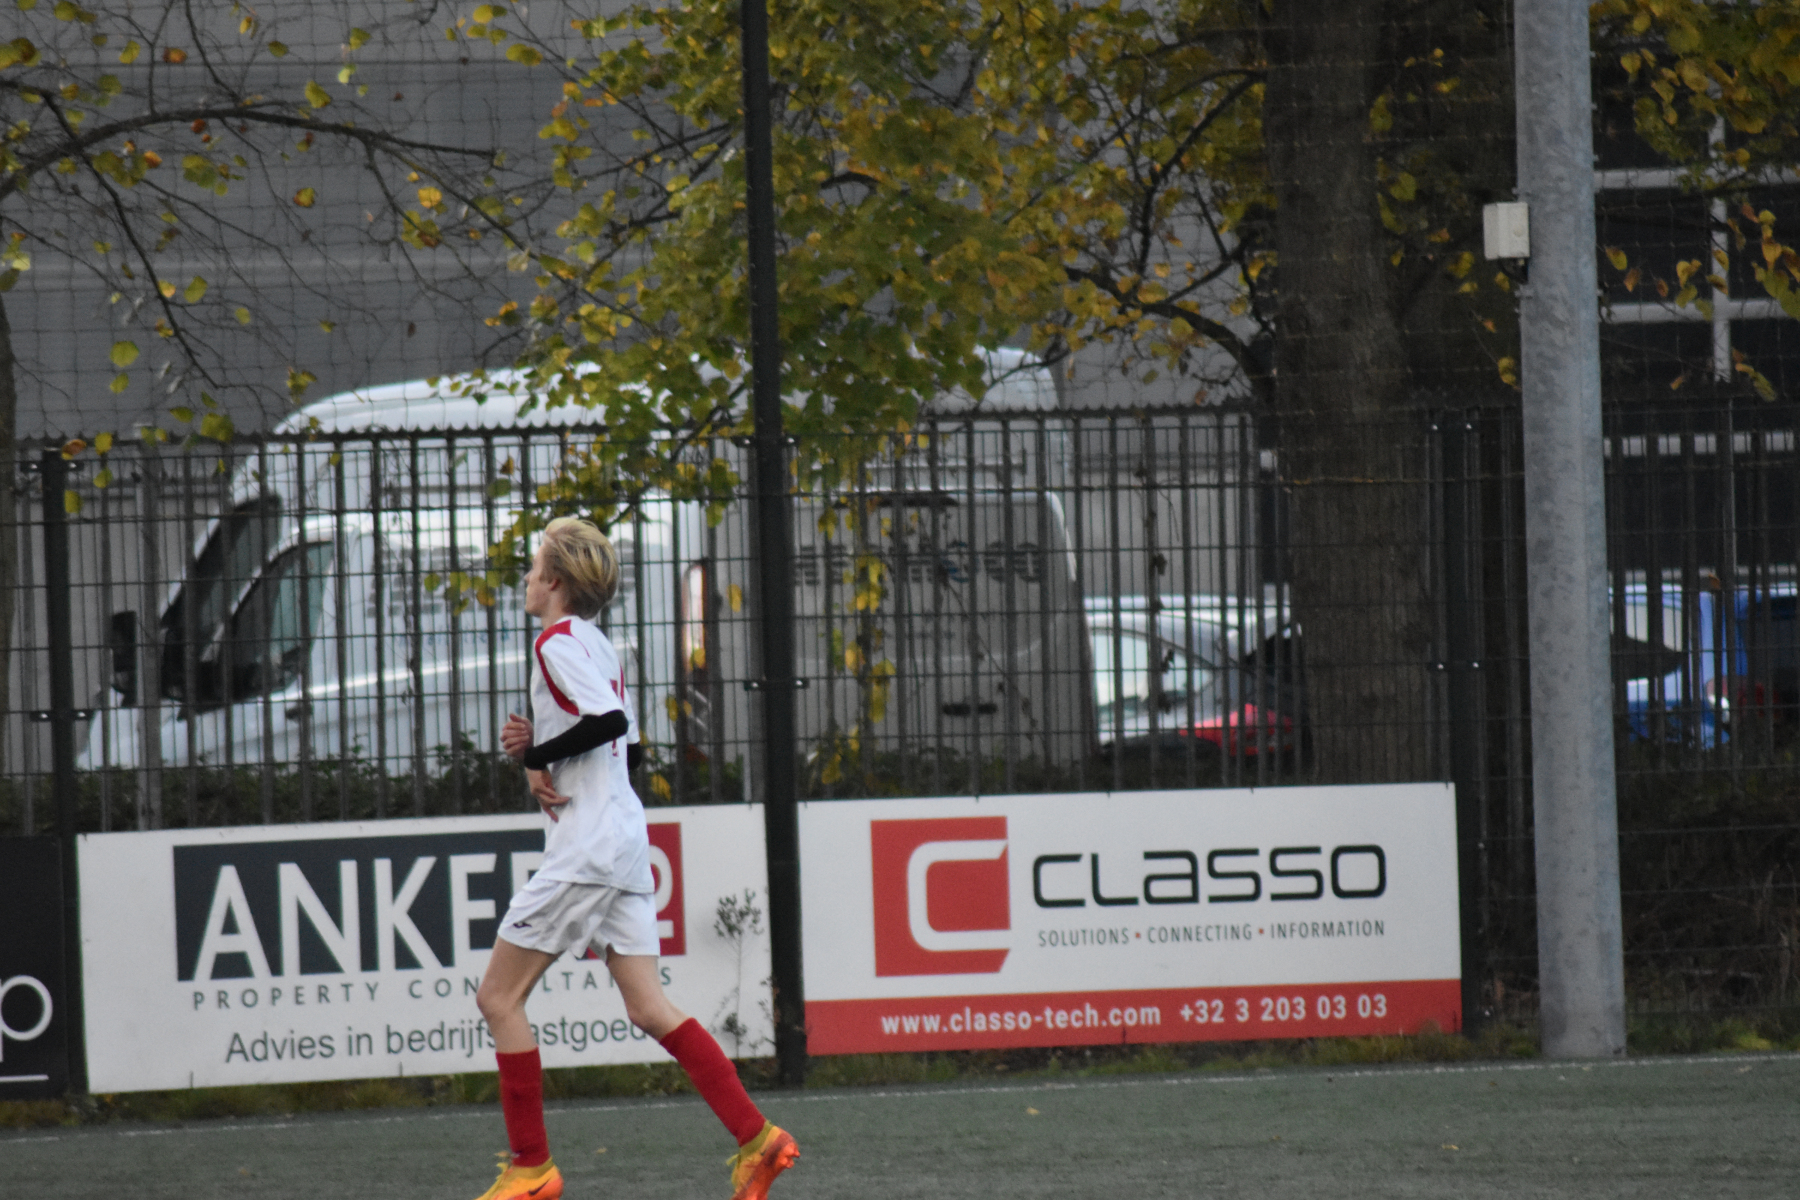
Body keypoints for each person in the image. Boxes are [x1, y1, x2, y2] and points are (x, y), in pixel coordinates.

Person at [471, 516, 798, 1200]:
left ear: (554, 580)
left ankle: (532, 1168)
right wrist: (540, 750)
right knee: (649, 1008)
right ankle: (758, 1138)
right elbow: (632, 749)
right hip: (623, 843)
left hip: (588, 849)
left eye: (534, 567)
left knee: (498, 998)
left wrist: (537, 755)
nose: (526, 577)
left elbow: (612, 726)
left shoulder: (556, 642)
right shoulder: (597, 645)